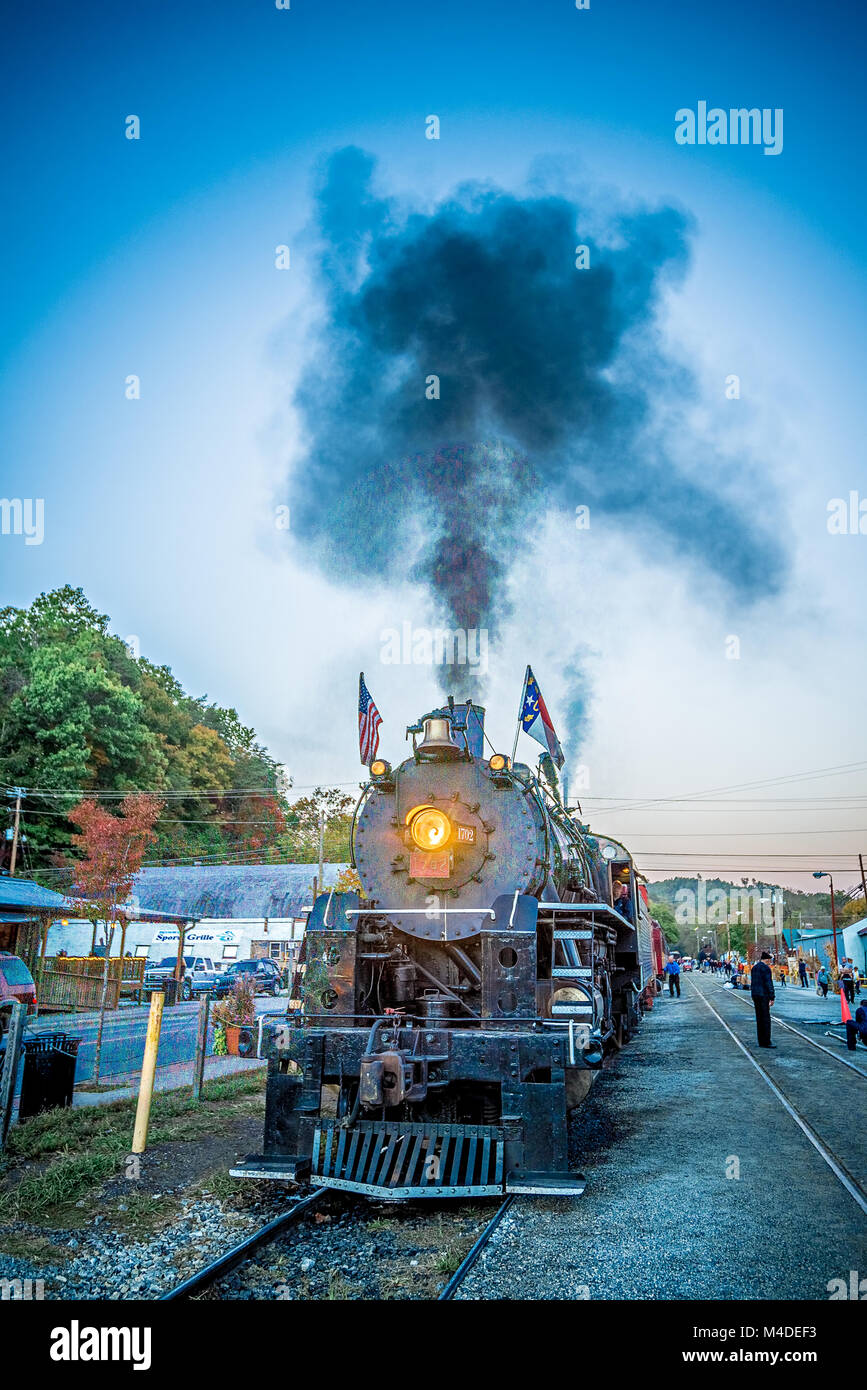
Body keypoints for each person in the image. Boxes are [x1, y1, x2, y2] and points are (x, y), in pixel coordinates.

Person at [750, 950, 776, 1048]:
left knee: (759, 1018)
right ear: (767, 960)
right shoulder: (766, 969)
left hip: (755, 995)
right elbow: (768, 983)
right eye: (770, 960)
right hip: (763, 995)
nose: (770, 962)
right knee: (765, 1019)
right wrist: (772, 997)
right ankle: (766, 1041)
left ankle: (760, 1041)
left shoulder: (754, 968)